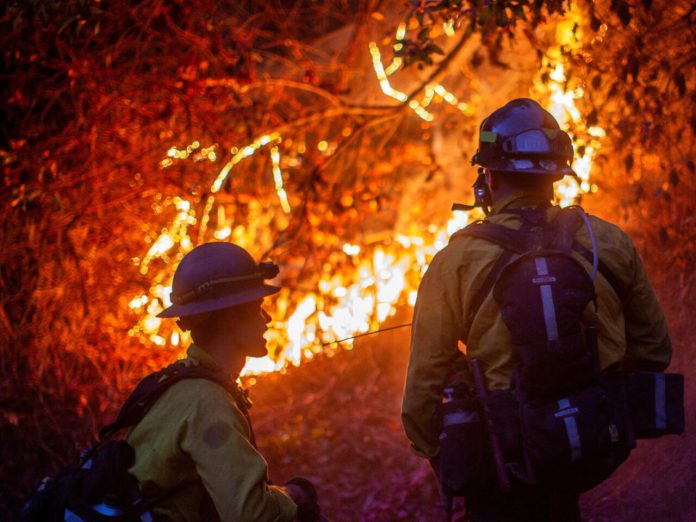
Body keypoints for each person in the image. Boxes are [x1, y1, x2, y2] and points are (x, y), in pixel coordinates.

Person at [401, 98, 672, 521]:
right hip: (586, 450)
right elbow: (654, 350)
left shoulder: (455, 261)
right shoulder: (606, 242)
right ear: (557, 173)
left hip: (499, 467)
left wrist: (454, 458)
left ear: (488, 177)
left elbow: (421, 394)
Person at [127, 242, 321, 521]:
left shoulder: (173, 384)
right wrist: (294, 496)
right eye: (257, 307)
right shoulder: (209, 402)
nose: (267, 319)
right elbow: (252, 516)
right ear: (230, 317)